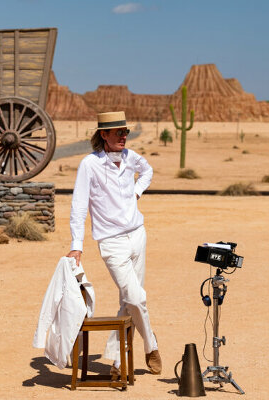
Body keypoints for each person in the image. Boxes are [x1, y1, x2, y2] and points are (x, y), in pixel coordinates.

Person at [66, 111, 162, 377]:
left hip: (137, 235)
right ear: (103, 135)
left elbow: (148, 171)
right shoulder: (90, 164)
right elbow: (78, 205)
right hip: (111, 242)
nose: (123, 136)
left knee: (128, 300)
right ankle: (150, 344)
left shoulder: (131, 158)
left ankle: (119, 364)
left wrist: (137, 191)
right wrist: (77, 244)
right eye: (118, 132)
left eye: (125, 132)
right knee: (136, 297)